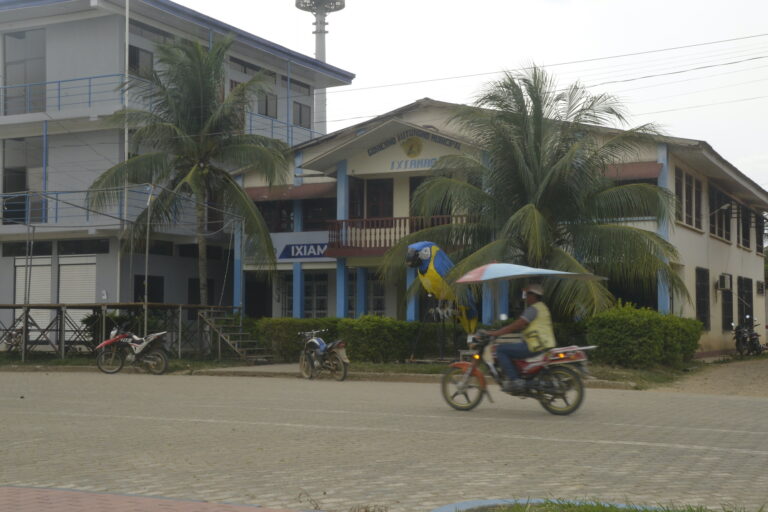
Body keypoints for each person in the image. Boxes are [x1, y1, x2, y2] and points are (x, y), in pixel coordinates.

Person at [483, 283, 556, 393]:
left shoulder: (533, 310)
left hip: (534, 345)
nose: (525, 297)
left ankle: (514, 380)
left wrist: (495, 333)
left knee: (500, 349)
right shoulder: (543, 307)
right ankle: (519, 375)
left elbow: (517, 325)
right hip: (544, 344)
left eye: (527, 295)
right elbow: (525, 326)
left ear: (533, 296)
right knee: (511, 348)